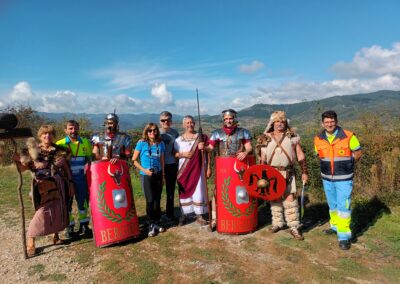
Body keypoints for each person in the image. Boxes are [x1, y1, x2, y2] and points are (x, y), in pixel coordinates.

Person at [14, 125, 74, 256]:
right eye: (44, 134)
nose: (47, 136)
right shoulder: (32, 151)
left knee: (58, 210)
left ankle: (55, 237)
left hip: (59, 185)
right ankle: (31, 242)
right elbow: (23, 169)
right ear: (40, 136)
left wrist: (70, 184)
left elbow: (67, 170)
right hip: (42, 187)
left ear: (53, 136)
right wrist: (18, 161)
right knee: (41, 213)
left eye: (50, 134)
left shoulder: (61, 151)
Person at [256, 111, 308, 240]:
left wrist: (304, 172)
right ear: (272, 123)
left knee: (290, 199)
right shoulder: (265, 138)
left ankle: (294, 227)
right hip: (271, 173)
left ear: (285, 123)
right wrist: (262, 175)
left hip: (288, 172)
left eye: (282, 121)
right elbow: (262, 159)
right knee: (274, 199)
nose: (280, 124)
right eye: (277, 121)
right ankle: (277, 223)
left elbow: (300, 155)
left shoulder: (292, 136)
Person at [314, 110, 362, 250]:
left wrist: (348, 165)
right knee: (332, 205)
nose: (329, 124)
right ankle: (334, 227)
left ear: (336, 121)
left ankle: (344, 236)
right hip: (327, 178)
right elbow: (319, 155)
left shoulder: (348, 136)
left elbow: (358, 153)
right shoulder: (318, 138)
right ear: (322, 123)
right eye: (327, 122)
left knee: (343, 207)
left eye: (332, 121)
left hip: (344, 179)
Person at [199, 109, 253, 230]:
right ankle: (214, 219)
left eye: (231, 118)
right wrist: (203, 147)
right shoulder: (217, 133)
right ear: (223, 120)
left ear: (234, 119)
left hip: (237, 166)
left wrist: (245, 152)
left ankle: (236, 217)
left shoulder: (243, 132)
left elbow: (249, 147)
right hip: (223, 167)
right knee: (217, 192)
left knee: (237, 191)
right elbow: (211, 148)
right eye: (226, 119)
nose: (229, 121)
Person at [56, 120, 93, 239]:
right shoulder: (59, 144)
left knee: (83, 203)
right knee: (67, 203)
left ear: (78, 128)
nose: (73, 131)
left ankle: (84, 224)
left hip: (82, 179)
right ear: (65, 130)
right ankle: (69, 226)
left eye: (75, 128)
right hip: (67, 180)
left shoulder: (86, 142)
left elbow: (89, 160)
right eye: (70, 128)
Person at [174, 115, 211, 226]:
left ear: (194, 124)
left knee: (199, 190)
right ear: (184, 125)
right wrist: (183, 154)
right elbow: (174, 154)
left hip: (199, 169)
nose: (190, 125)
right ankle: (184, 214)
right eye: (187, 123)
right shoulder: (178, 140)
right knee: (184, 191)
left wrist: (208, 167)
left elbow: (208, 152)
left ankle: (200, 215)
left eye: (191, 122)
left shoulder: (201, 137)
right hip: (184, 171)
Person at [132, 123, 166, 237]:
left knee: (157, 200)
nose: (152, 133)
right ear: (146, 132)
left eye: (154, 130)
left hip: (158, 174)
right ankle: (151, 223)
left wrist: (163, 175)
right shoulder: (141, 143)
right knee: (150, 200)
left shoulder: (160, 143)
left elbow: (162, 160)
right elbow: (134, 160)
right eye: (149, 131)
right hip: (146, 175)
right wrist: (144, 170)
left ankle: (157, 221)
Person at [159, 111, 179, 223]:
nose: (166, 122)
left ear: (171, 121)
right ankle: (156, 215)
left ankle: (170, 214)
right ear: (160, 121)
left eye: (168, 120)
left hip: (171, 165)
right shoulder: (155, 132)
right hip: (158, 166)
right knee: (157, 191)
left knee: (170, 191)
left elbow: (178, 148)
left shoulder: (175, 133)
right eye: (163, 120)